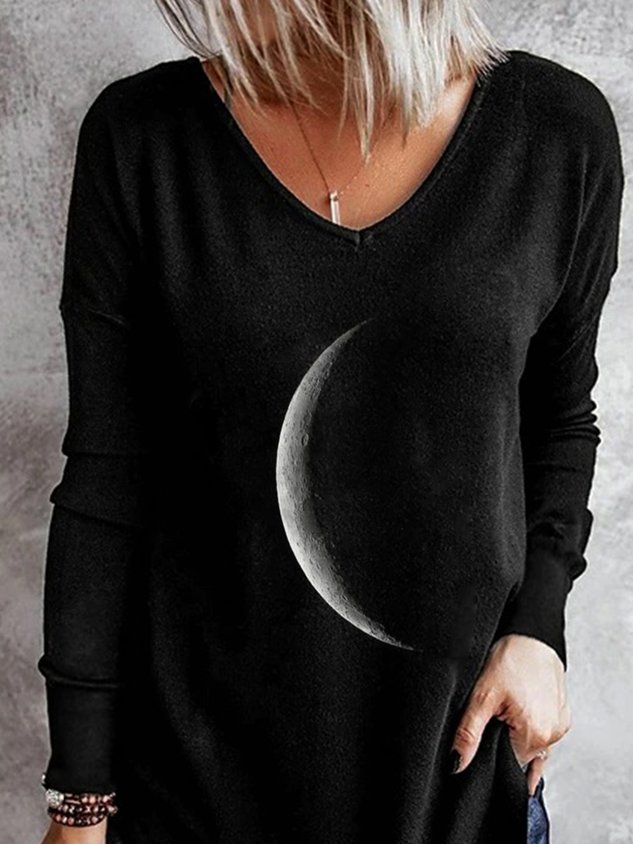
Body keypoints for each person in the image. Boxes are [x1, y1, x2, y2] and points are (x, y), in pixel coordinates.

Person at [37, 2, 624, 843]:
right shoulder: (144, 141)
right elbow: (106, 479)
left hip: (454, 786)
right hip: (193, 794)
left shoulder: (555, 134)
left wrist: (539, 628)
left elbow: (560, 416)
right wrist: (79, 799)